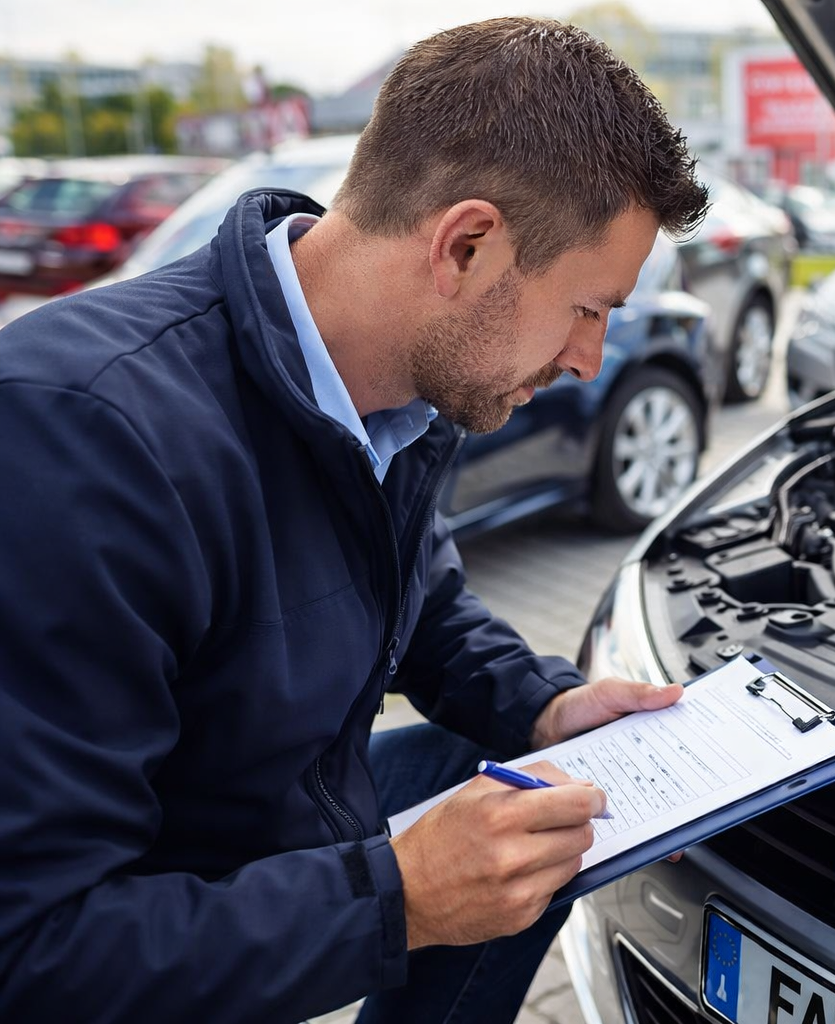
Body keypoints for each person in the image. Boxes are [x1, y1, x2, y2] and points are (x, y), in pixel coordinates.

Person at [0, 17, 709, 1024]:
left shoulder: (408, 387)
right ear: (465, 245)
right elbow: (31, 953)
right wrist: (402, 899)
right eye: (587, 309)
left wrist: (546, 708)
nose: (589, 360)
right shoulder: (82, 440)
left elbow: (420, 598)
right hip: (141, 915)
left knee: (530, 798)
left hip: (272, 819)